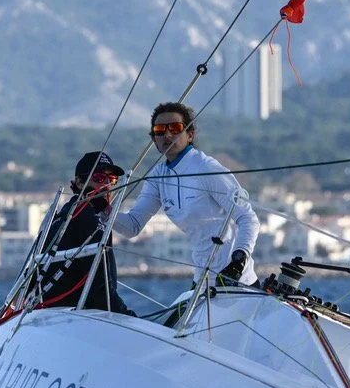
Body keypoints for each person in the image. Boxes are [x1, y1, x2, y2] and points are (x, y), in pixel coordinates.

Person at [111, 102, 259, 286]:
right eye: (160, 130)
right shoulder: (157, 176)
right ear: (154, 139)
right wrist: (104, 211)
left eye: (174, 128)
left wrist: (239, 260)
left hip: (238, 279)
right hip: (202, 280)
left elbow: (248, 218)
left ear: (190, 135)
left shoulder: (207, 168)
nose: (167, 135)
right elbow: (132, 226)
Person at [38, 150, 135, 315]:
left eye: (111, 179)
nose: (106, 184)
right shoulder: (86, 216)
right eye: (99, 177)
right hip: (76, 314)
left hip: (53, 313)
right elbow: (99, 288)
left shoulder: (68, 211)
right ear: (79, 182)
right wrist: (127, 315)